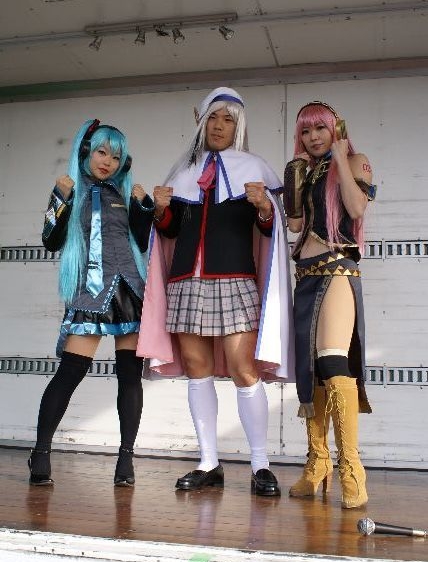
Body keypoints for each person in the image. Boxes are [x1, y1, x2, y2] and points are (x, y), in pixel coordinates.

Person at [137, 87, 295, 496]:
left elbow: (268, 232)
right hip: (185, 281)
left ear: (238, 126)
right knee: (197, 369)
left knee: (244, 369)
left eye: (228, 120)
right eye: (213, 118)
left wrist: (265, 208)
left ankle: (260, 464)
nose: (219, 126)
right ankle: (208, 462)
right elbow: (171, 230)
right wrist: (161, 211)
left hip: (235, 279)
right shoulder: (183, 170)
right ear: (201, 121)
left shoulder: (253, 167)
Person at [28, 119, 154, 487]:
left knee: (129, 377)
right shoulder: (73, 190)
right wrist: (60, 198)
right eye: (101, 152)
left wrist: (144, 208)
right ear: (85, 152)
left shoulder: (124, 193)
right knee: (70, 372)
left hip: (129, 291)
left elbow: (142, 242)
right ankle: (41, 452)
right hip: (91, 291)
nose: (107, 162)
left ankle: (126, 459)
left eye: (115, 157)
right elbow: (50, 240)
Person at [283, 101, 376, 509]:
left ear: (335, 128)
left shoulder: (354, 161)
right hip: (304, 273)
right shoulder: (306, 170)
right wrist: (294, 182)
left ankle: (351, 468)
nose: (313, 137)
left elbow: (356, 209)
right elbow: (295, 225)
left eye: (319, 128)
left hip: (338, 266)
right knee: (312, 368)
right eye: (305, 131)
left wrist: (339, 157)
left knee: (334, 361)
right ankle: (318, 461)